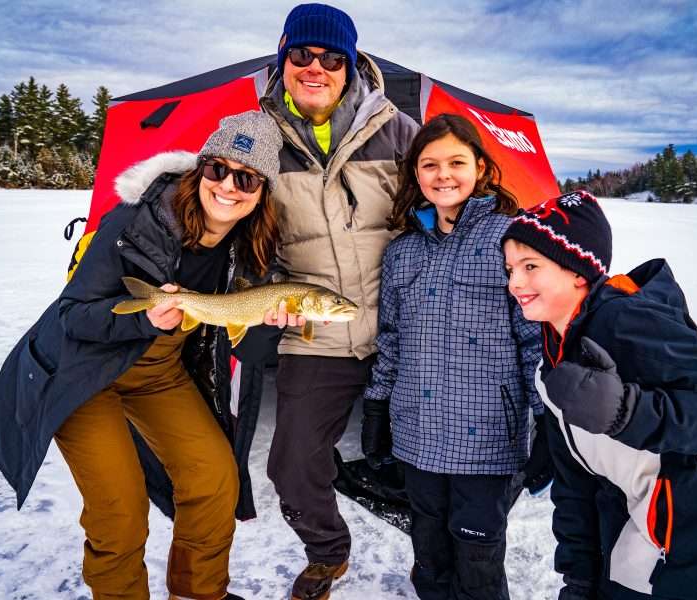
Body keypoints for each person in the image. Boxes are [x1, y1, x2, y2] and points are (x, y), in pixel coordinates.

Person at [0, 111, 284, 600]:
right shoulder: (134, 221)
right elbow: (73, 314)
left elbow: (249, 345)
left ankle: (199, 591)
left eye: (246, 177)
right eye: (216, 169)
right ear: (199, 170)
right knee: (118, 508)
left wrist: (269, 325)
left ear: (262, 191)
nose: (228, 186)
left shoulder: (250, 250)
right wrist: (142, 319)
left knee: (214, 475)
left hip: (158, 373)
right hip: (84, 371)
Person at [500, 190, 697, 599]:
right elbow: (575, 484)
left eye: (530, 266)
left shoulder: (625, 322)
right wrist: (579, 577)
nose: (515, 282)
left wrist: (627, 412)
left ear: (578, 270)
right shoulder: (552, 360)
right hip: (640, 538)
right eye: (510, 268)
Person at [258, 4, 419, 599]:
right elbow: (249, 238)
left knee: (439, 451)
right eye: (301, 56)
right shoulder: (260, 138)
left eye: (331, 58)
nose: (315, 68)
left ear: (350, 66)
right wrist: (264, 292)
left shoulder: (397, 130)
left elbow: (440, 215)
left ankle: (445, 552)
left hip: (401, 327)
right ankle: (328, 553)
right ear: (284, 60)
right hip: (317, 333)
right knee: (292, 466)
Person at [357, 113, 543, 600]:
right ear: (416, 175)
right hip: (416, 433)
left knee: (478, 555)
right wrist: (376, 407)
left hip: (487, 440)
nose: (444, 175)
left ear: (480, 168)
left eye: (457, 162)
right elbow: (391, 339)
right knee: (430, 549)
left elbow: (533, 340)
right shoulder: (401, 253)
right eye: (430, 164)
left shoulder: (510, 239)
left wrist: (546, 423)